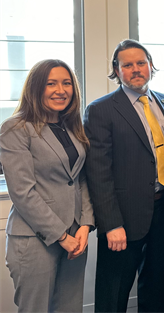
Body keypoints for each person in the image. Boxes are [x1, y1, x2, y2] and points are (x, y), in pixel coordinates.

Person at [84, 39, 164, 313]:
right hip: (122, 217)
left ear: (150, 66)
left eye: (141, 63)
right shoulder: (101, 110)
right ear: (117, 70)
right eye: (128, 65)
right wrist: (111, 225)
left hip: (161, 208)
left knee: (155, 284)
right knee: (114, 292)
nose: (136, 69)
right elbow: (98, 174)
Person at [0, 59, 93, 312]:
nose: (60, 90)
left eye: (66, 83)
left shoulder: (72, 127)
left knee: (70, 308)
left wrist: (85, 224)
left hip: (76, 237)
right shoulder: (15, 129)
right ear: (36, 87)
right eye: (51, 83)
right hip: (35, 239)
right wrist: (62, 237)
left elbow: (80, 178)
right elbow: (22, 192)